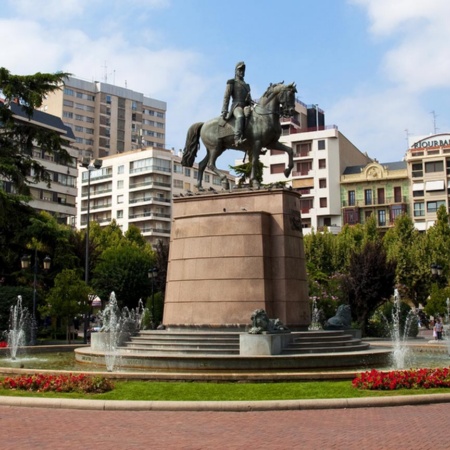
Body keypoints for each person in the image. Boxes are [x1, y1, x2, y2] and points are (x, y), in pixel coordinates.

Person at [221, 61, 252, 146]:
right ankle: (237, 138)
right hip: (236, 106)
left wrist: (250, 102)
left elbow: (250, 100)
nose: (241, 72)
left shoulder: (247, 86)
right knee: (240, 116)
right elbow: (226, 97)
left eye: (243, 70)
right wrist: (224, 110)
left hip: (246, 106)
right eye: (240, 70)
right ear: (236, 71)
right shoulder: (232, 82)